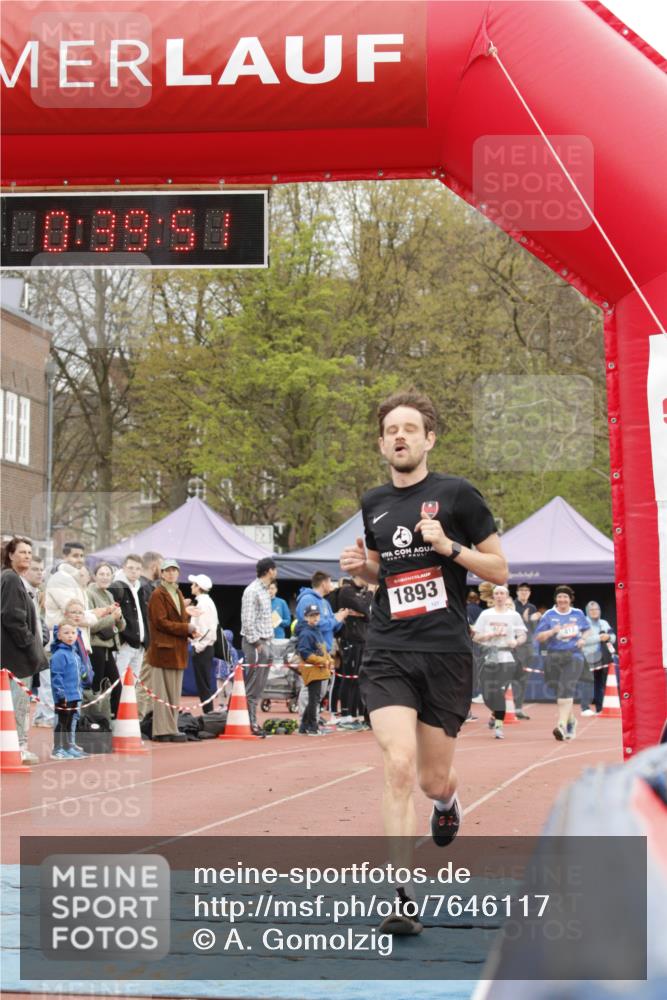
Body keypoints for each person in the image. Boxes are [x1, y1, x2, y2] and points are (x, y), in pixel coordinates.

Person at [339, 388, 507, 935]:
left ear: (429, 438)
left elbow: (500, 570)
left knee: (432, 780)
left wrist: (450, 549)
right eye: (391, 431)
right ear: (381, 443)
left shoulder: (458, 495)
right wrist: (361, 568)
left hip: (444, 653)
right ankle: (402, 895)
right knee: (397, 766)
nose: (400, 437)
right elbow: (383, 573)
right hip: (388, 649)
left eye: (410, 429)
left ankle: (449, 801)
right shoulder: (373, 503)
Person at [0, 536, 48, 764]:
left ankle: (13, 745)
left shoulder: (14, 579)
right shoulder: (10, 579)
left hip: (15, 655)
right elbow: (12, 618)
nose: (27, 556)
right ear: (10, 555)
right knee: (17, 704)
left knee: (13, 704)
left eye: (30, 552)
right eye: (22, 552)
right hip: (16, 657)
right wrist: (30, 646)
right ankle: (17, 746)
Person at [146, 559, 201, 742]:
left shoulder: (177, 592)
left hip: (177, 649)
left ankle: (171, 727)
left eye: (174, 570)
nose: (171, 573)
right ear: (161, 573)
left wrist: (191, 631)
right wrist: (186, 629)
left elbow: (179, 619)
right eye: (167, 571)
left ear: (178, 573)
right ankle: (162, 730)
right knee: (162, 693)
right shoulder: (157, 594)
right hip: (162, 650)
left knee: (174, 692)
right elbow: (160, 622)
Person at [534, 585, 592, 741]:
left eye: (565, 597)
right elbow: (539, 637)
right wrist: (552, 631)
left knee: (566, 688)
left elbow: (587, 629)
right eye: (559, 597)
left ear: (570, 599)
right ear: (556, 599)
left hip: (574, 656)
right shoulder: (549, 615)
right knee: (558, 690)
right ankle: (571, 720)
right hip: (554, 657)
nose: (562, 600)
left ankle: (561, 725)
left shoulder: (578, 613)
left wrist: (583, 639)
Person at [472, 585, 527, 740]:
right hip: (488, 655)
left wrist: (516, 642)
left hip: (506, 657)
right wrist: (488, 635)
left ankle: (498, 726)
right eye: (496, 593)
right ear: (493, 597)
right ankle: (495, 713)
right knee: (487, 693)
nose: (499, 596)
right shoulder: (485, 614)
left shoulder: (514, 615)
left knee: (497, 689)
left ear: (507, 596)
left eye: (502, 593)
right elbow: (475, 637)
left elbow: (522, 635)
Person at [240, 557, 278, 736]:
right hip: (255, 643)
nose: (276, 572)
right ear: (269, 570)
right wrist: (256, 643)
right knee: (253, 683)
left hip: (266, 641)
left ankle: (252, 720)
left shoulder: (264, 591)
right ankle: (249, 722)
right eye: (275, 569)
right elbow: (247, 621)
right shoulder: (252, 590)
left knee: (260, 685)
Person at [88, 562, 125, 718]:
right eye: (101, 574)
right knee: (95, 688)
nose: (104, 577)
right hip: (95, 647)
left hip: (108, 648)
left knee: (116, 687)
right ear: (95, 576)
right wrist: (112, 617)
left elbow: (121, 626)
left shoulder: (109, 595)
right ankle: (92, 722)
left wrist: (119, 616)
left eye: (107, 574)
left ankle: (114, 722)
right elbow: (92, 625)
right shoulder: (90, 594)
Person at [50, 622, 90, 760]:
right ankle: (57, 748)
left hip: (74, 694)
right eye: (66, 633)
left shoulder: (75, 654)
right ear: (59, 636)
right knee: (62, 722)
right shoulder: (59, 655)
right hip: (64, 696)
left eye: (73, 633)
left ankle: (67, 746)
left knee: (69, 722)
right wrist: (60, 694)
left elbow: (80, 672)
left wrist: (85, 675)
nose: (70, 636)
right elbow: (56, 675)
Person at [109, 554, 149, 679]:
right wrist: (123, 638)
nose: (134, 571)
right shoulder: (116, 587)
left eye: (137, 569)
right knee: (118, 683)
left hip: (140, 645)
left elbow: (143, 616)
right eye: (131, 568)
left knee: (133, 685)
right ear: (124, 568)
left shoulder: (140, 588)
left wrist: (147, 640)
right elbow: (111, 616)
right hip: (124, 645)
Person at [295, 604, 334, 735]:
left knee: (314, 699)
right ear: (306, 617)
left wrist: (329, 659)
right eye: (312, 615)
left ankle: (304, 726)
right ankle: (313, 727)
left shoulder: (316, 630)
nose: (315, 617)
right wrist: (324, 661)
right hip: (313, 671)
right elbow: (305, 653)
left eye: (317, 615)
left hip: (320, 670)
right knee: (314, 700)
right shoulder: (306, 633)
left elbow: (322, 650)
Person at [188, 573, 219, 713]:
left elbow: (207, 630)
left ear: (198, 587)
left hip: (203, 649)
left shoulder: (204, 603)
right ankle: (209, 713)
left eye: (193, 584)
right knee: (204, 684)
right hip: (204, 647)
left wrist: (197, 647)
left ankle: (208, 714)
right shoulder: (205, 602)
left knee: (204, 685)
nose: (191, 586)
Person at [582, 601, 616, 715]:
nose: (594, 612)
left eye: (597, 609)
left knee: (599, 683)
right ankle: (585, 708)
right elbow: (583, 641)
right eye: (591, 610)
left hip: (601, 658)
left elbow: (613, 637)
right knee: (587, 683)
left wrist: (609, 637)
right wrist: (599, 638)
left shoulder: (604, 623)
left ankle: (600, 708)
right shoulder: (583, 623)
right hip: (587, 657)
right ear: (587, 611)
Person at [511, 583, 540, 719]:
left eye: (526, 590)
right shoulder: (512, 605)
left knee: (523, 678)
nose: (524, 593)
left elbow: (533, 629)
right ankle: (505, 707)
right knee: (510, 676)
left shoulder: (532, 607)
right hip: (513, 644)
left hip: (527, 646)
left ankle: (518, 708)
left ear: (530, 593)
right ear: (517, 592)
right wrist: (524, 619)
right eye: (521, 590)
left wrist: (532, 620)